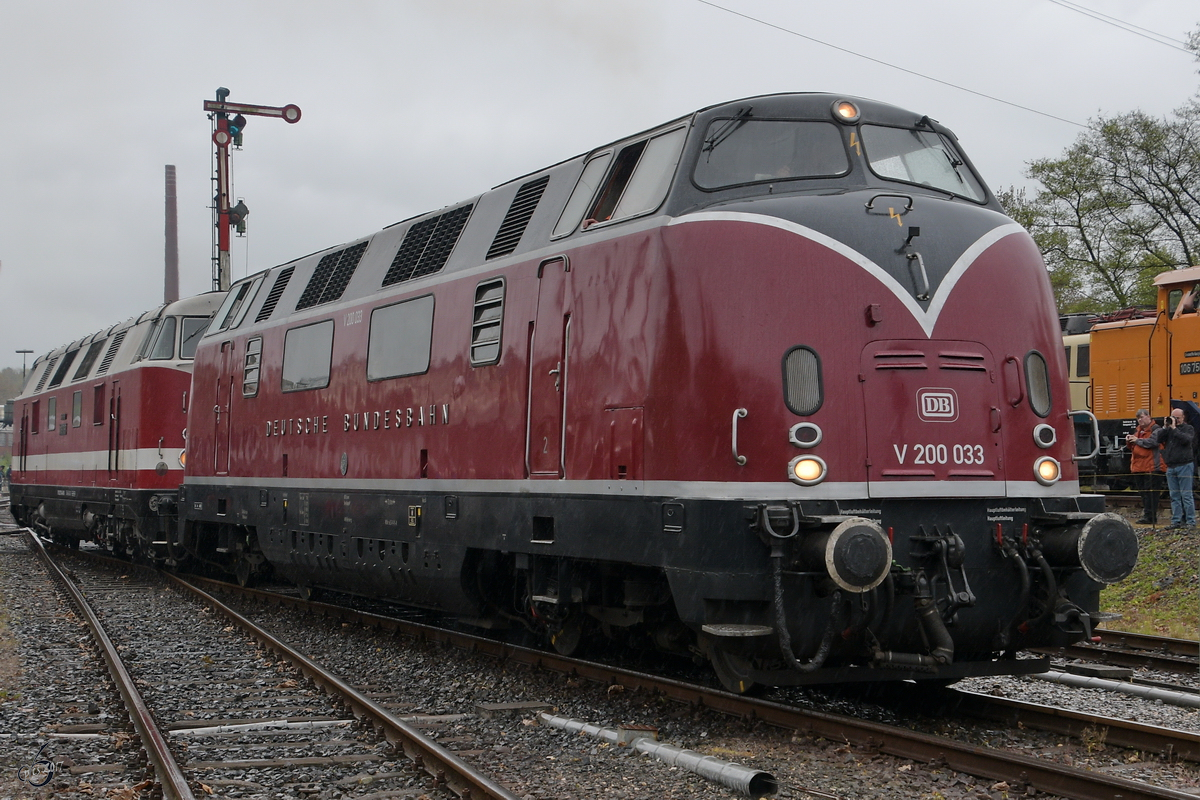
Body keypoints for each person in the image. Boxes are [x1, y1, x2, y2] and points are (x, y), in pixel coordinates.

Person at [1148, 408, 1196, 530]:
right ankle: (1176, 521)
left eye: (1177, 418)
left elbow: (1187, 440)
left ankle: (1190, 521)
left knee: (1186, 495)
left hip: (1185, 465)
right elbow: (1158, 439)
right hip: (1171, 466)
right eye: (1173, 417)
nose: (1175, 420)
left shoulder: (1188, 429)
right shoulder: (1168, 430)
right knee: (1174, 495)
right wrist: (1165, 427)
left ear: (1183, 418)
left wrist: (1174, 428)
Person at [1127, 409, 1165, 525]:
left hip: (1152, 466)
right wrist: (1129, 441)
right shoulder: (1138, 431)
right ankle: (1147, 515)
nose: (1140, 420)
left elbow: (1153, 442)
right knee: (1144, 493)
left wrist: (1137, 440)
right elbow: (1133, 447)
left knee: (1151, 494)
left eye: (1142, 417)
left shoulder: (1156, 429)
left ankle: (1151, 517)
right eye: (1138, 418)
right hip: (1139, 467)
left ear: (1149, 416)